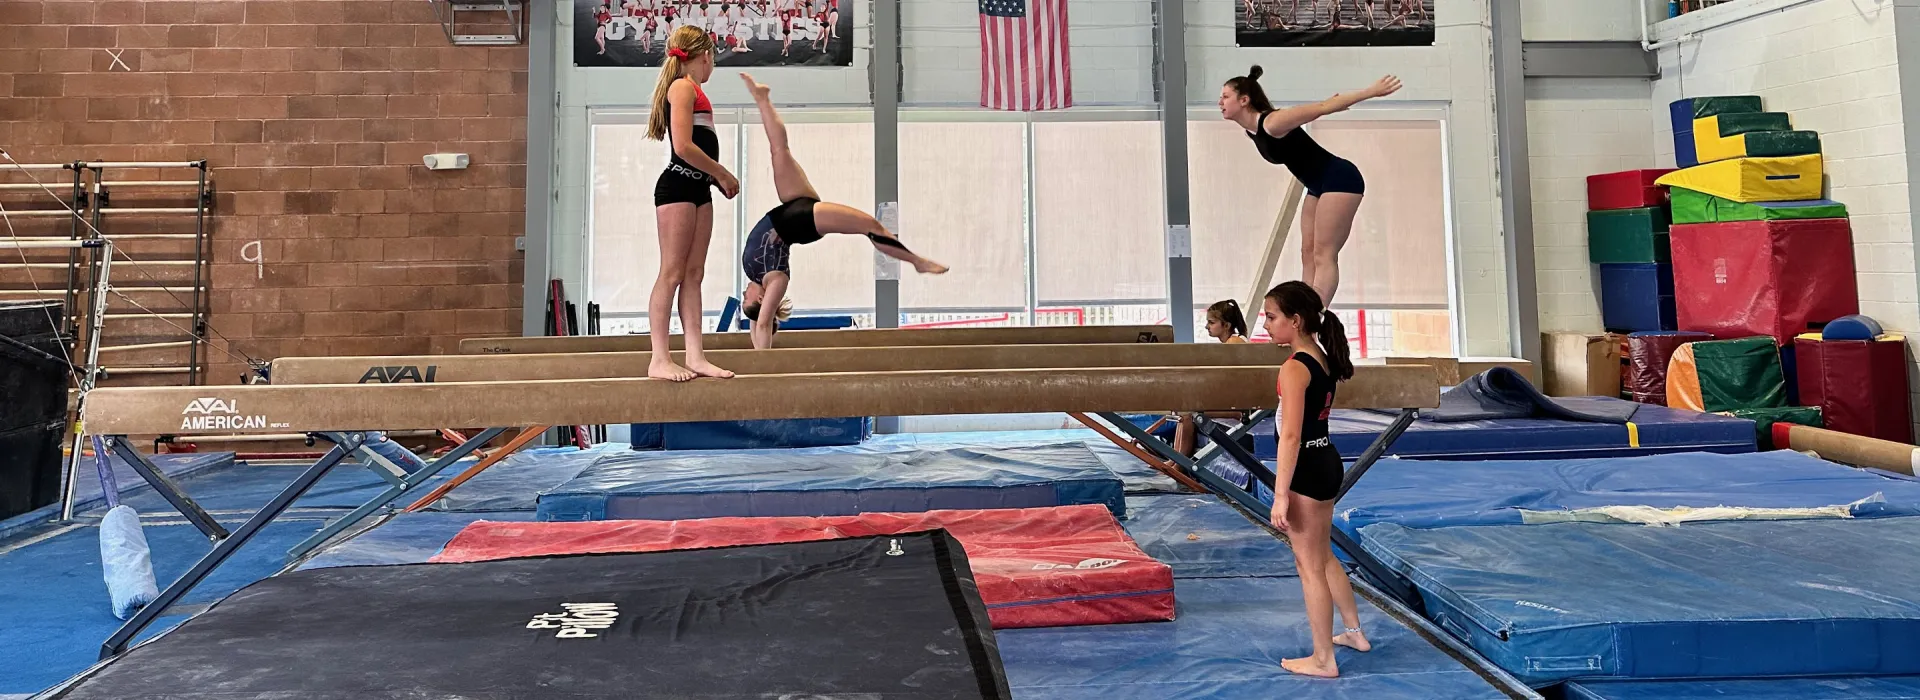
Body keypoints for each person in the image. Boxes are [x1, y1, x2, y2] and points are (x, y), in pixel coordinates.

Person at [737, 73, 949, 350]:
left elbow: (758, 322)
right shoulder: (776, 279)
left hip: (791, 208)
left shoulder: (752, 273)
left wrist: (756, 328)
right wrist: (761, 369)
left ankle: (762, 100)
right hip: (799, 222)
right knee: (870, 225)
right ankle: (916, 261)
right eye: (746, 299)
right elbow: (763, 324)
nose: (743, 294)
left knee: (779, 151)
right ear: (763, 299)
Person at [1258, 280, 1368, 678]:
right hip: (1326, 461)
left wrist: (1280, 494)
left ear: (1296, 320)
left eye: (1272, 317)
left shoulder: (1293, 368)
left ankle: (1323, 659)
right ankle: (1354, 632)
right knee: (1323, 556)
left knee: (1309, 568)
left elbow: (1290, 436)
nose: (1267, 325)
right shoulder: (1320, 356)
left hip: (1305, 469)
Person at [1221, 66, 1400, 306]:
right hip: (1316, 184)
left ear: (1244, 100)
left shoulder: (1273, 122)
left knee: (1324, 253)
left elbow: (1325, 106)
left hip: (1340, 178)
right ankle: (1305, 303)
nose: (1219, 102)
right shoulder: (1251, 131)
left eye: (1225, 96)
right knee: (1307, 251)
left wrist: (1371, 91)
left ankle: (1315, 313)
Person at [646, 27, 738, 381]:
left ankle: (695, 355)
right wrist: (723, 173)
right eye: (713, 59)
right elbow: (683, 146)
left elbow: (697, 148)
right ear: (705, 57)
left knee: (694, 275)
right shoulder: (682, 87)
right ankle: (659, 359)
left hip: (699, 190)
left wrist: (713, 178)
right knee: (671, 273)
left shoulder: (693, 90)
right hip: (678, 188)